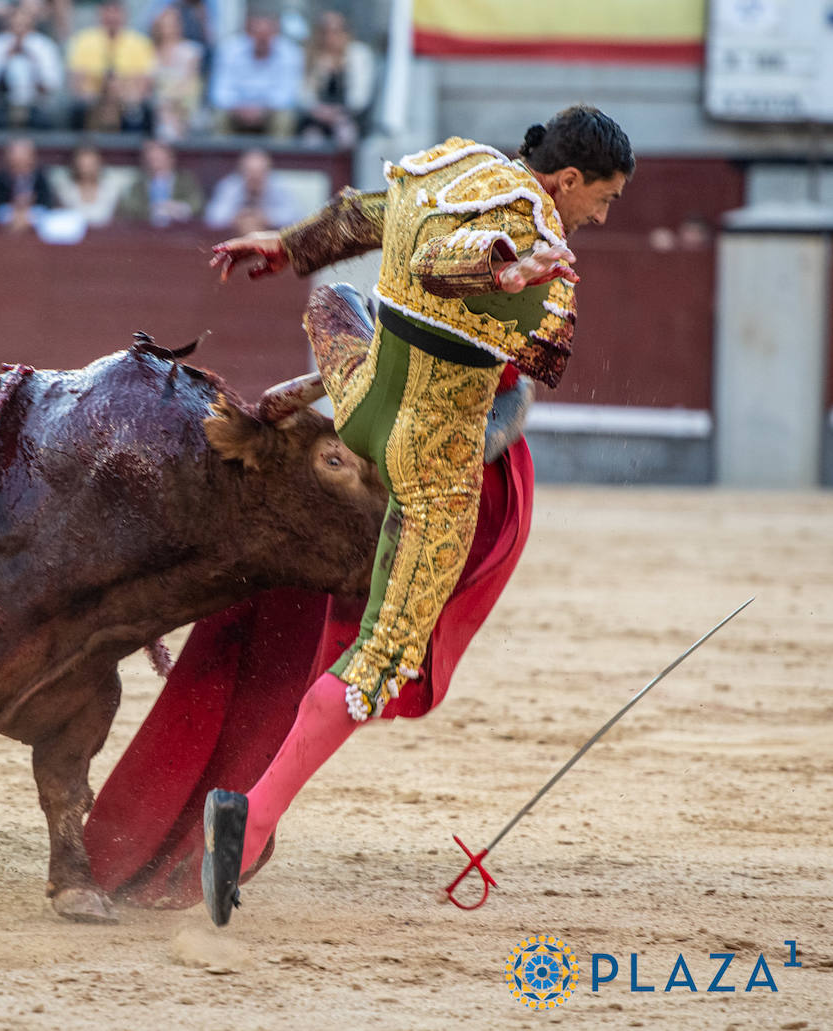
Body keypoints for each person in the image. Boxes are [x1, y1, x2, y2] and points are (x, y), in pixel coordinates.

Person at [198, 104, 635, 927]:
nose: (600, 218)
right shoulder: (539, 239)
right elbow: (526, 341)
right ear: (569, 180)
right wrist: (514, 272)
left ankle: (299, 394)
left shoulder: (452, 164)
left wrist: (287, 247)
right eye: (602, 200)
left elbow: (367, 212)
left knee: (334, 306)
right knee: (384, 657)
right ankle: (247, 820)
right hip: (427, 458)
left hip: (362, 398)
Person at [208, 10, 302, 137]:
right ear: (248, 33)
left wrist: (262, 109)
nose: (262, 39)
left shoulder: (290, 52)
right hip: (236, 109)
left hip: (270, 111)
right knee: (218, 117)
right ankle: (220, 156)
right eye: (257, 33)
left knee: (285, 118)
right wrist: (239, 107)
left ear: (276, 33)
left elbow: (287, 95)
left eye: (267, 34)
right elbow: (220, 91)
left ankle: (277, 156)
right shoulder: (229, 49)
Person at [65, 0, 153, 133]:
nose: (112, 17)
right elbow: (76, 82)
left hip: (127, 101)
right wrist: (102, 92)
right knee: (79, 109)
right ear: (100, 14)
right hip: (93, 102)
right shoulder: (83, 41)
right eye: (108, 11)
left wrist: (119, 93)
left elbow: (144, 85)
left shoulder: (140, 43)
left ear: (124, 15)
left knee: (139, 113)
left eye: (116, 12)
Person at [296, 10, 374, 148]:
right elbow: (302, 94)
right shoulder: (309, 55)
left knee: (346, 135)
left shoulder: (359, 55)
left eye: (336, 31)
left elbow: (360, 97)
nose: (331, 37)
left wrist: (339, 113)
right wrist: (318, 111)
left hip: (349, 116)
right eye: (325, 32)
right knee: (311, 140)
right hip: (316, 117)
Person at [0, 3, 62, 130]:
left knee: (47, 120)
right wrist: (5, 60)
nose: (19, 29)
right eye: (15, 25)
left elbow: (52, 85)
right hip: (1, 104)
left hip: (36, 105)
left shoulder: (45, 46)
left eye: (24, 25)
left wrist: (33, 62)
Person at [202, 146, 298, 234]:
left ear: (268, 171)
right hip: (233, 238)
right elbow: (212, 217)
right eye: (250, 172)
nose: (255, 177)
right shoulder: (230, 186)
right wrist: (238, 217)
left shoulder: (280, 186)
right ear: (241, 171)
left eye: (260, 172)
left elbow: (296, 217)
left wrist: (266, 217)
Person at [115, 137, 201, 226]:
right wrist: (154, 210)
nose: (155, 164)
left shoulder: (186, 180)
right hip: (147, 231)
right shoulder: (137, 185)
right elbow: (129, 208)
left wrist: (180, 208)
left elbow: (197, 203)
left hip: (181, 231)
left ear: (171, 159)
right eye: (151, 159)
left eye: (160, 159)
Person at [148, 4, 203, 142]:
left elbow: (190, 85)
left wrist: (167, 100)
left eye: (172, 22)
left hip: (181, 106)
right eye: (165, 22)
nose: (168, 26)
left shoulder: (191, 51)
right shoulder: (148, 51)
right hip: (153, 106)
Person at [0, 135, 55, 232]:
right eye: (15, 157)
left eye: (23, 157)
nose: (19, 161)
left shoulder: (41, 176)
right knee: (2, 214)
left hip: (33, 212)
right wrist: (15, 205)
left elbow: (46, 202)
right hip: (10, 211)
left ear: (31, 158)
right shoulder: (1, 177)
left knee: (42, 216)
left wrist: (30, 202)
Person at [53, 145, 118, 228]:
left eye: (91, 165)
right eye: (83, 165)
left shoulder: (111, 190)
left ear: (99, 164)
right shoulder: (65, 191)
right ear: (76, 165)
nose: (87, 170)